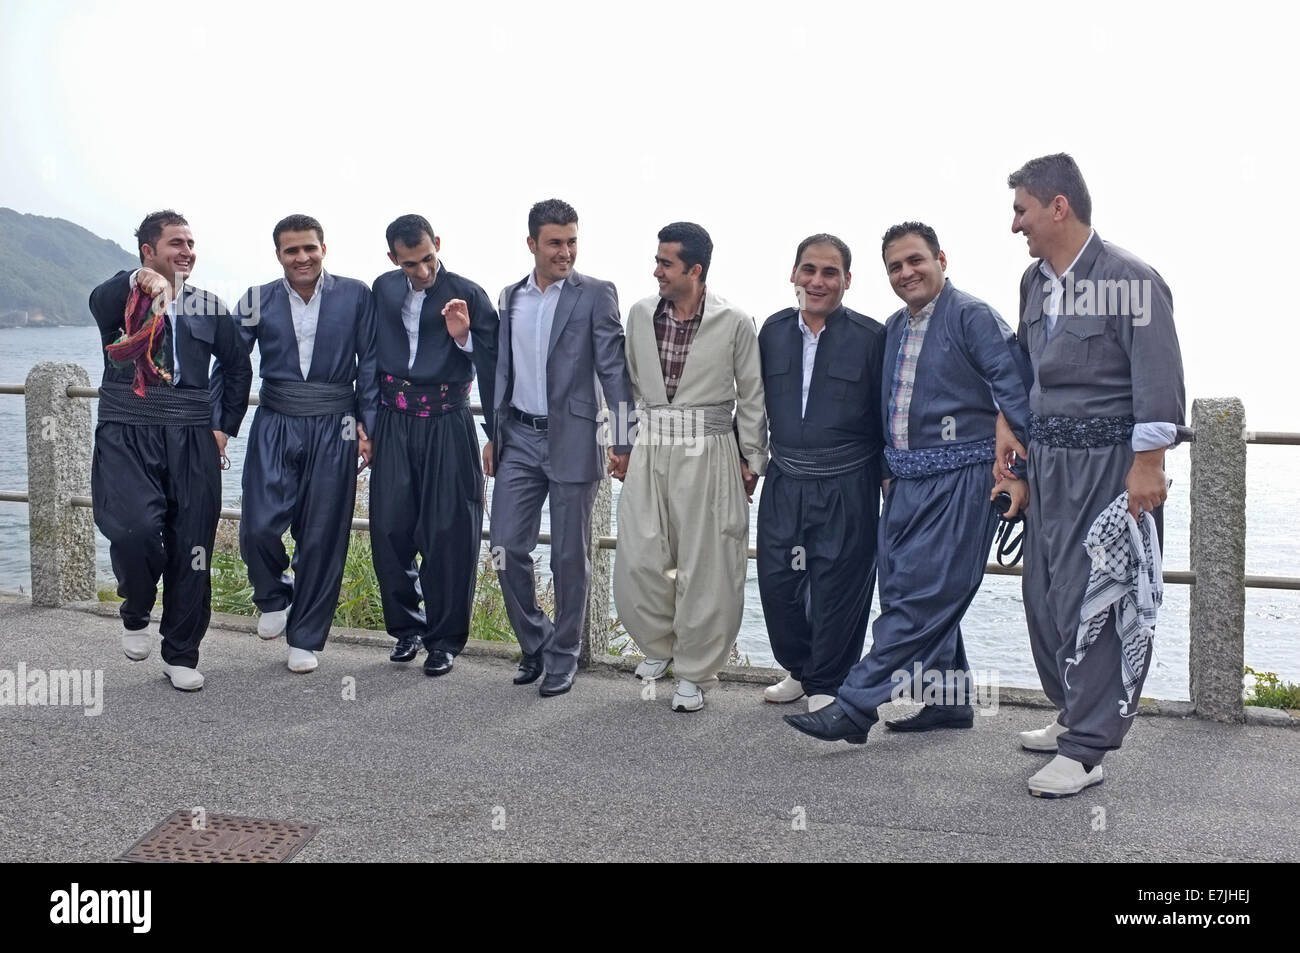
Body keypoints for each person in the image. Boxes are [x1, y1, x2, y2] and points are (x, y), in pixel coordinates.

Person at [784, 222, 1031, 744]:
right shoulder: (894, 326)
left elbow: (1017, 395)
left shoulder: (973, 317)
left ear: (941, 258)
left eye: (915, 260)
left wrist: (1017, 477)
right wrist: (887, 474)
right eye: (895, 266)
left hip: (966, 476)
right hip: (904, 480)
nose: (906, 272)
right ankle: (951, 699)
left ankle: (855, 705)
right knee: (901, 591)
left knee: (928, 596)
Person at [997, 154, 1184, 797]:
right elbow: (1024, 376)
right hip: (1048, 465)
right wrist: (1014, 457)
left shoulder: (1130, 278)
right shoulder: (1032, 284)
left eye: (1021, 208)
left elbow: (1158, 377)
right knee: (1046, 596)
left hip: (1110, 467)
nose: (1013, 223)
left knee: (1101, 599)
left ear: (1057, 206)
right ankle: (1073, 711)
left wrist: (1148, 466)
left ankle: (1088, 749)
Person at [89, 210, 251, 691]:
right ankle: (135, 609)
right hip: (127, 430)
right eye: (176, 243)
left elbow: (239, 368)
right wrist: (137, 280)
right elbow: (100, 298)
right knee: (135, 529)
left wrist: (224, 427)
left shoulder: (209, 306)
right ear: (148, 251)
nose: (187, 251)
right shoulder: (118, 298)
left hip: (192, 435)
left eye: (191, 243)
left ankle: (181, 653)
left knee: (193, 546)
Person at [613, 222, 768, 713]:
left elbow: (753, 396)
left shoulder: (735, 321)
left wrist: (752, 460)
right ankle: (660, 646)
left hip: (710, 447)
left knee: (707, 562)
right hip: (653, 444)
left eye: (665, 263)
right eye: (657, 260)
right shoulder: (639, 314)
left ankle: (697, 671)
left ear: (694, 270)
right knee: (639, 555)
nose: (655, 270)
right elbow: (624, 384)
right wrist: (619, 443)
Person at [487, 199, 634, 698]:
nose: (565, 251)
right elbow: (501, 370)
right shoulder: (509, 297)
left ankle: (564, 655)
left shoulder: (596, 294)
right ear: (532, 244)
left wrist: (624, 438)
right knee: (505, 548)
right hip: (519, 440)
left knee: (570, 557)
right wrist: (494, 435)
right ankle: (536, 640)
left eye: (572, 241)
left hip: (574, 438)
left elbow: (614, 369)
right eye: (555, 242)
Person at [235, 214, 378, 674]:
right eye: (292, 250)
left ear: (323, 248)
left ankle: (306, 636)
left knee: (323, 534)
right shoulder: (256, 300)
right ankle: (273, 595)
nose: (302, 257)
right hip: (275, 418)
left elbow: (371, 364)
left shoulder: (356, 294)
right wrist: (220, 425)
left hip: (335, 420)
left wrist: (367, 425)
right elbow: (233, 365)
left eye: (309, 248)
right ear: (278, 254)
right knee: (257, 524)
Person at [756, 234, 886, 712]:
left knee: (839, 584)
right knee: (778, 581)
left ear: (847, 280)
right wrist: (747, 461)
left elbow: (889, 418)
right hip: (785, 477)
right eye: (808, 270)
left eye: (830, 272)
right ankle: (799, 668)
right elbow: (750, 404)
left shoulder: (873, 337)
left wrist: (888, 478)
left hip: (848, 481)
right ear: (793, 274)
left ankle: (828, 681)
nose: (817, 281)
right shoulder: (770, 332)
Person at [369, 215, 498, 676]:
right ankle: (407, 629)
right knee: (388, 529)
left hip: (449, 421)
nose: (422, 271)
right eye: (410, 264)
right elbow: (368, 357)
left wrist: (462, 337)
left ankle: (444, 641)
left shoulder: (468, 292)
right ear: (393, 259)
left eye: (427, 258)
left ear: (437, 244)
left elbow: (494, 360)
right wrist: (365, 426)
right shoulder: (382, 289)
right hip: (392, 421)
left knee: (450, 534)